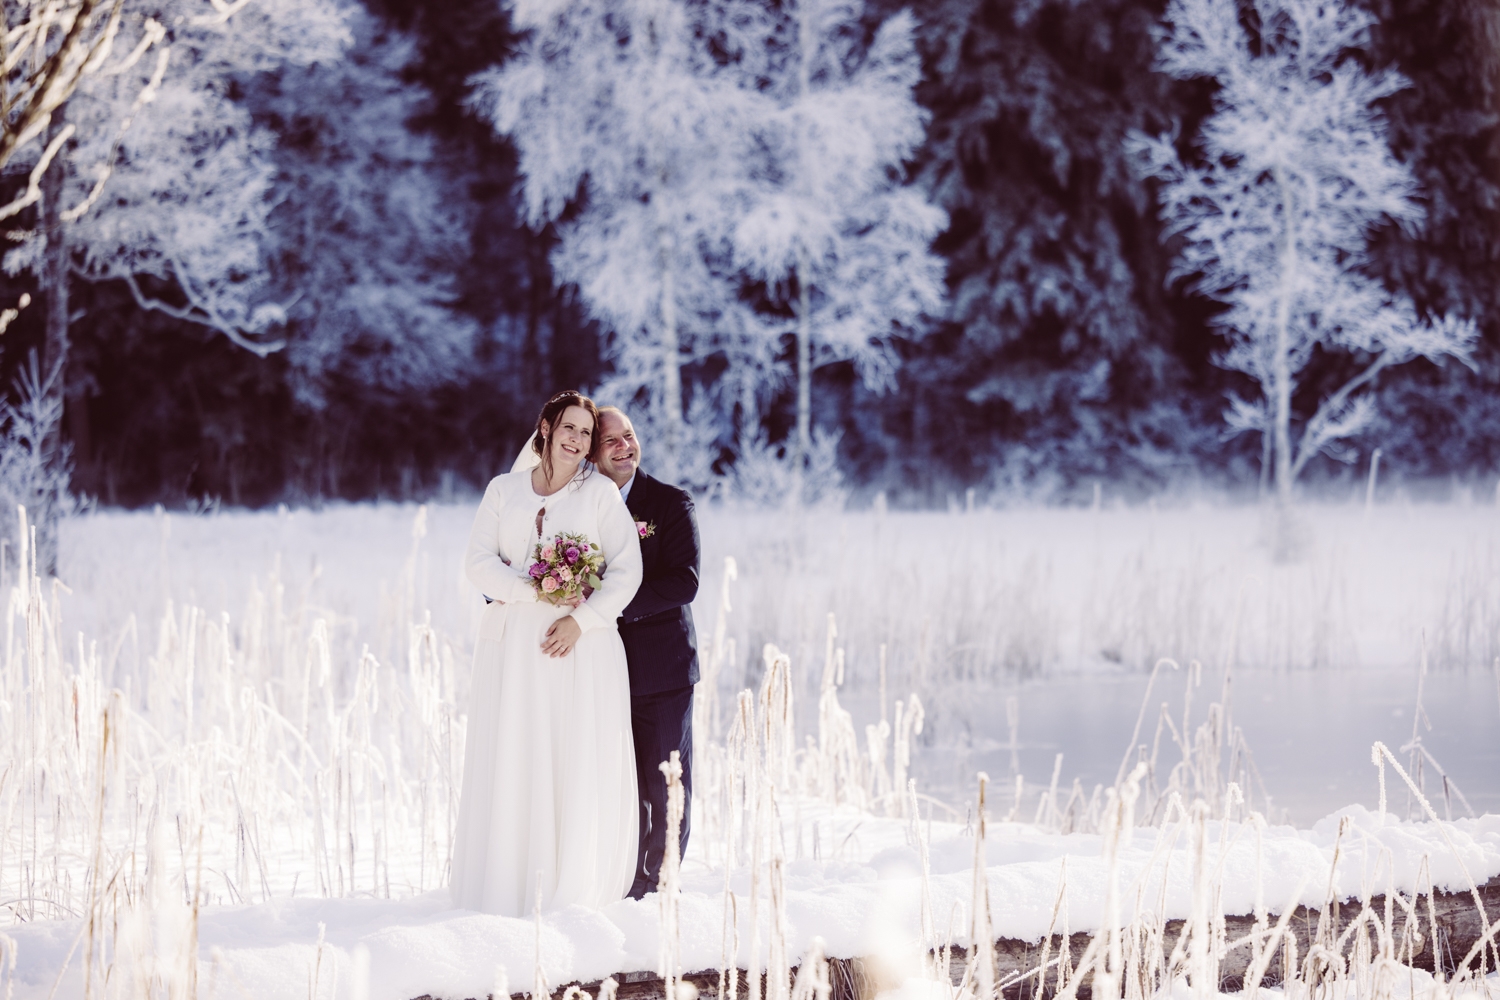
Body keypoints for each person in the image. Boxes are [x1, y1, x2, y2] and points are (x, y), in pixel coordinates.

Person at [450, 391, 643, 916]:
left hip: (577, 651)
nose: (578, 440)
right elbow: (477, 561)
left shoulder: (599, 494)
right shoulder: (503, 490)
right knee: (518, 750)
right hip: (514, 649)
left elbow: (628, 571)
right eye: (570, 428)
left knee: (567, 753)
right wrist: (535, 587)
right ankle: (511, 880)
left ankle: (566, 884)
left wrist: (581, 620)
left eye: (586, 432)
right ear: (546, 427)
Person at [593, 407, 700, 899]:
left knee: (666, 783)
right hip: (604, 671)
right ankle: (625, 880)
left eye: (629, 436)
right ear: (592, 453)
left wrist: (609, 607)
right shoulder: (585, 507)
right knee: (620, 786)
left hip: (663, 671)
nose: (624, 446)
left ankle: (662, 886)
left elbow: (685, 581)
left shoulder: (670, 502)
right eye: (610, 440)